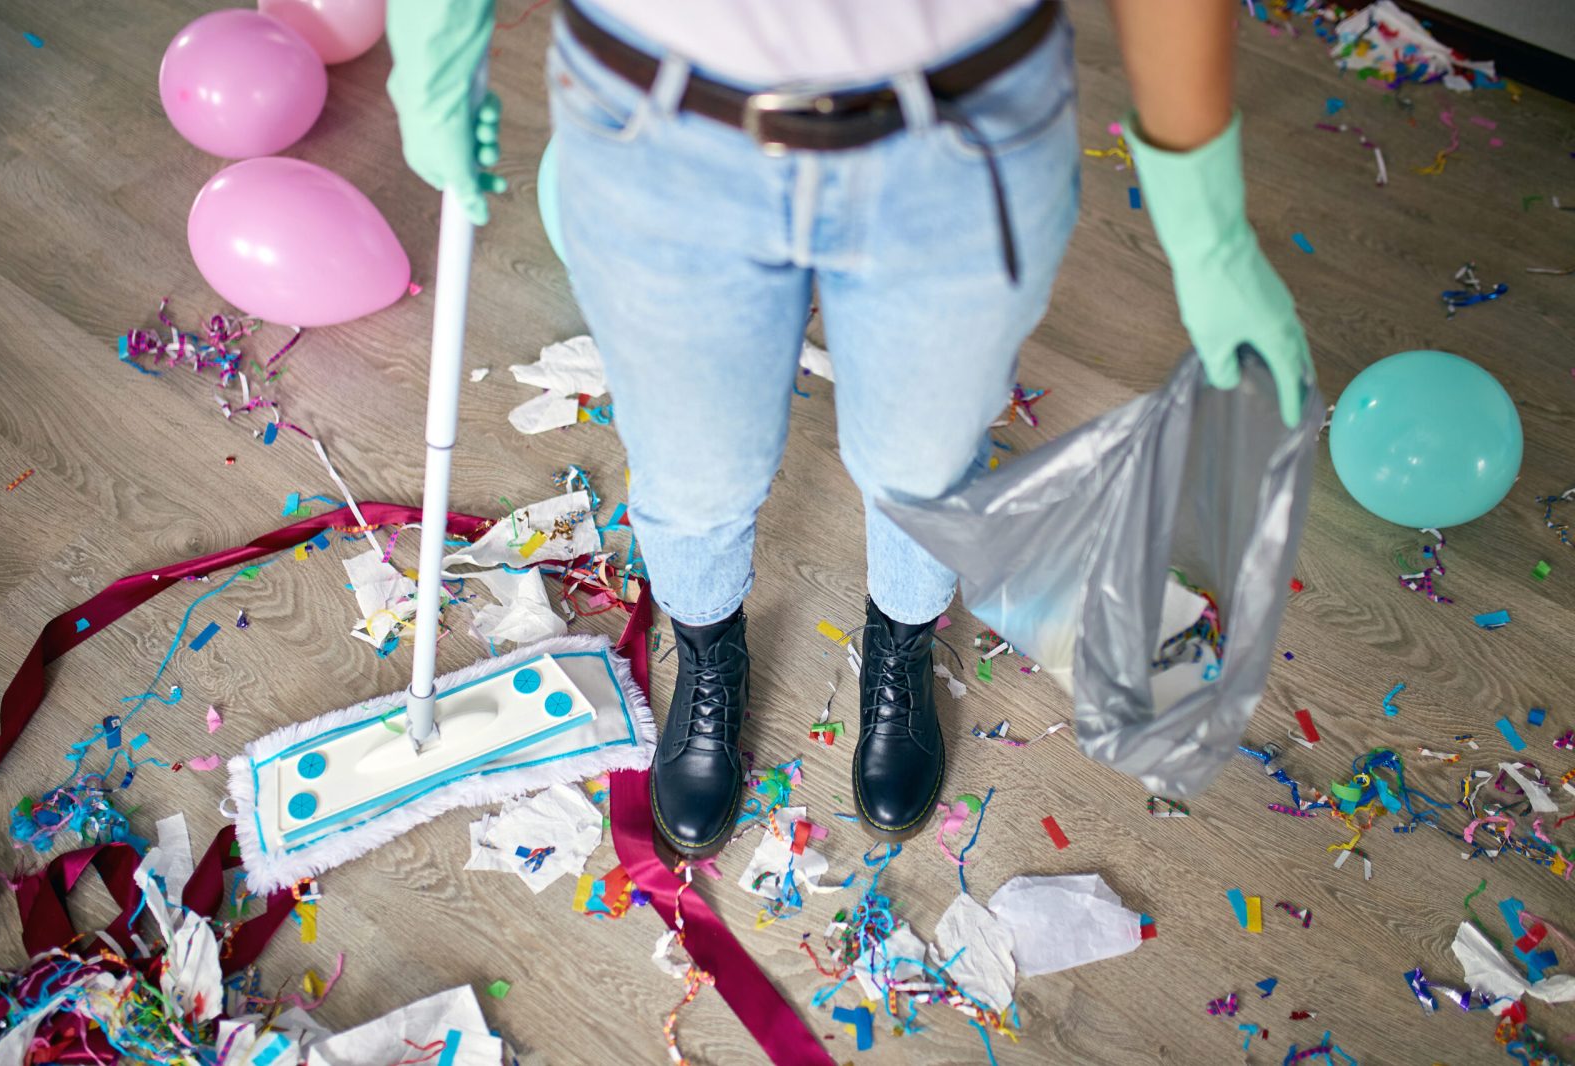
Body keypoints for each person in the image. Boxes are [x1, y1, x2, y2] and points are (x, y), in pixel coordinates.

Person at [387, 0, 1313, 856]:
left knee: (924, 471)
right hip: (655, 127)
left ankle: (899, 642)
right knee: (694, 470)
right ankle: (710, 653)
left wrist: (1207, 223)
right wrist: (432, 45)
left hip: (964, 130)